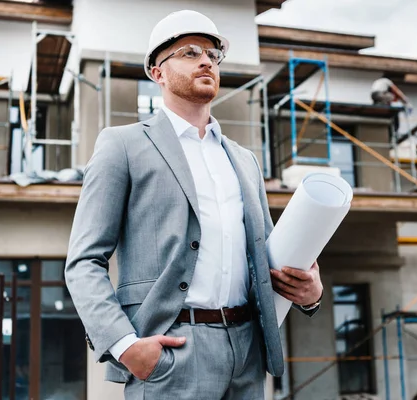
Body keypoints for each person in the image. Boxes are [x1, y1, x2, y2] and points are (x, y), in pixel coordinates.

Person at [65, 9, 323, 400]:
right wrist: (124, 346)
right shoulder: (123, 145)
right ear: (157, 72)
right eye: (189, 52)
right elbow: (84, 261)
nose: (206, 60)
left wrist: (310, 294)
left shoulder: (244, 160)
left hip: (247, 354)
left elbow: (266, 259)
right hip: (172, 354)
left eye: (212, 54)